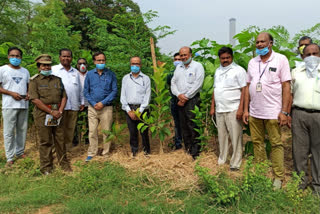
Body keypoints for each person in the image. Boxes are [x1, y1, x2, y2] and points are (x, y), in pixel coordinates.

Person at [243, 32, 291, 189]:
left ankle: (278, 176)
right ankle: (261, 172)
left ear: (271, 43)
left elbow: (286, 86)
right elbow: (248, 86)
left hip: (273, 111)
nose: (259, 44)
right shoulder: (252, 62)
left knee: (276, 144)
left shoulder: (280, 59)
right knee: (257, 142)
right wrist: (246, 110)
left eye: (263, 42)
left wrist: (284, 112)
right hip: (255, 111)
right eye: (257, 42)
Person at [29, 54, 71, 174]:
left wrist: (60, 111)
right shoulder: (34, 81)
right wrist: (51, 112)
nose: (47, 68)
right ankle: (46, 168)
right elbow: (35, 99)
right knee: (45, 140)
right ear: (39, 67)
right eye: (44, 65)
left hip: (57, 113)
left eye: (48, 65)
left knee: (60, 139)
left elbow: (64, 96)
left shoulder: (57, 79)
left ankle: (64, 164)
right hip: (43, 114)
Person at [289, 43, 320, 194]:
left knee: (318, 153)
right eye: (308, 55)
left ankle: (317, 187)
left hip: (318, 115)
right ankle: (299, 184)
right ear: (302, 57)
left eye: (315, 54)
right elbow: (290, 94)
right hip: (299, 114)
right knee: (299, 152)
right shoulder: (296, 72)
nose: (312, 57)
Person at [210, 46, 246, 171]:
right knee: (222, 136)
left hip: (233, 108)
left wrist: (241, 109)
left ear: (232, 57)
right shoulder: (218, 71)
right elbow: (215, 89)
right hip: (220, 108)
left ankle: (235, 163)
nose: (225, 60)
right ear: (219, 59)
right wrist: (212, 106)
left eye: (227, 57)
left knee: (235, 136)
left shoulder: (239, 70)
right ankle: (222, 158)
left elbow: (244, 90)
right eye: (222, 58)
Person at [171, 46, 204, 159]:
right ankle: (188, 149)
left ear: (190, 54)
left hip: (192, 100)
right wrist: (179, 95)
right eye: (181, 55)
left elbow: (198, 84)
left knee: (192, 124)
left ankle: (196, 152)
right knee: (183, 125)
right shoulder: (178, 68)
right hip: (180, 100)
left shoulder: (197, 66)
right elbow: (173, 83)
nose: (183, 57)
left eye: (185, 55)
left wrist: (185, 97)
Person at [84, 52, 117, 161]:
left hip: (106, 107)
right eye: (99, 60)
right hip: (92, 108)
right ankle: (92, 152)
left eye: (103, 60)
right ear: (94, 62)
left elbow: (114, 91)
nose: (101, 62)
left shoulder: (111, 74)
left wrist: (103, 102)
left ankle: (105, 153)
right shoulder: (89, 75)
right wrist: (94, 103)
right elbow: (86, 91)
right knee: (92, 131)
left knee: (106, 131)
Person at [0, 47, 30, 167]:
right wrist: (11, 93)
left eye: (17, 56)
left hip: (23, 105)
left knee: (22, 129)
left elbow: (28, 87)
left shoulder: (25, 71)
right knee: (9, 131)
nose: (15, 58)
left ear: (21, 57)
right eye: (12, 56)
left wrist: (28, 94)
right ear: (8, 57)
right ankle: (10, 157)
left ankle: (20, 152)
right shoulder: (2, 70)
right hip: (9, 105)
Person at [52, 49, 84, 151]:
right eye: (64, 56)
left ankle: (67, 149)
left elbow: (80, 88)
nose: (66, 58)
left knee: (70, 128)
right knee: (57, 128)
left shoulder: (76, 72)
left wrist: (82, 102)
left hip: (74, 105)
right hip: (58, 106)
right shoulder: (53, 70)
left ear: (72, 58)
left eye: (68, 56)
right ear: (60, 57)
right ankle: (57, 150)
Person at [120, 56, 151, 157]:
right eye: (133, 64)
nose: (135, 66)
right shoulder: (125, 78)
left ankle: (147, 152)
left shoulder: (146, 79)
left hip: (142, 109)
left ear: (140, 65)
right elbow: (123, 96)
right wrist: (129, 110)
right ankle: (134, 151)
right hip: (129, 108)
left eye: (137, 64)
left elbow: (147, 96)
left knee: (144, 132)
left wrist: (140, 111)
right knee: (132, 131)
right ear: (130, 65)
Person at [167, 53, 183, 150]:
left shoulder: (185, 72)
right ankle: (178, 144)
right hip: (174, 101)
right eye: (175, 59)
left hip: (185, 101)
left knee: (186, 123)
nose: (177, 61)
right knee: (177, 124)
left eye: (179, 59)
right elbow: (170, 84)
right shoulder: (170, 74)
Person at [73, 58, 89, 145]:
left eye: (84, 63)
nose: (82, 65)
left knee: (88, 123)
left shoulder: (90, 74)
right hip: (77, 103)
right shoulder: (74, 74)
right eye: (80, 63)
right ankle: (75, 140)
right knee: (76, 123)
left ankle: (87, 140)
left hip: (89, 103)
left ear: (86, 65)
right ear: (77, 65)